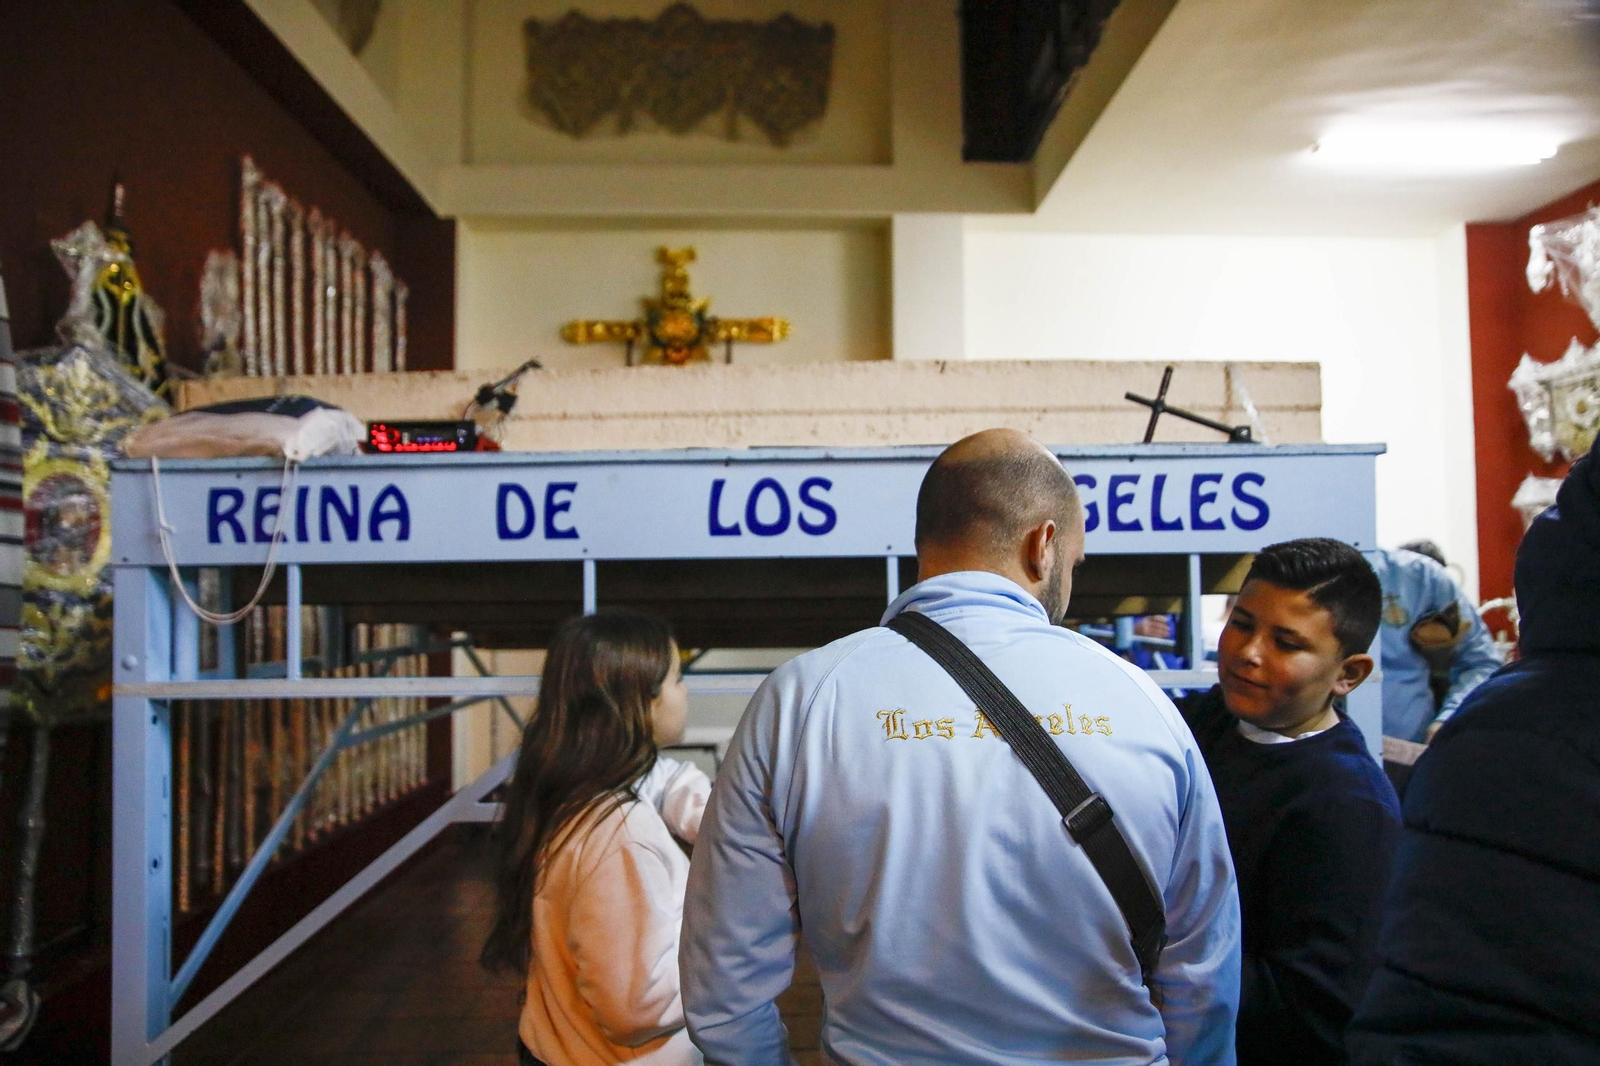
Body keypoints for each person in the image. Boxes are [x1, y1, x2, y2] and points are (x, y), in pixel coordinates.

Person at [681, 429, 1240, 1066]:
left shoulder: (800, 701)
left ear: (926, 542)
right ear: (1044, 544)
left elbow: (724, 988)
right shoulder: (1143, 702)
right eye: (1076, 565)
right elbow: (1201, 973)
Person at [1347, 434, 1600, 1064]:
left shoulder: (1417, 583)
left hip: (1418, 767)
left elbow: (1472, 659)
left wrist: (1444, 725)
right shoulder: (1517, 750)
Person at [1177, 539, 1400, 1065]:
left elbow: (1312, 1008)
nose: (1248, 652)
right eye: (1242, 622)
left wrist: (1148, 961)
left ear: (1348, 674)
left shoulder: (1347, 807)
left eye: (1286, 643)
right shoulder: (1213, 721)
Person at [480, 610, 711, 1066]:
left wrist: (732, 823)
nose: (684, 693)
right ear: (640, 700)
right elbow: (635, 1007)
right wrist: (740, 955)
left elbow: (665, 780)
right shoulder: (621, 833)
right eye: (676, 679)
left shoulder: (567, 787)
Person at [1364, 547, 1501, 742]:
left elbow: (1481, 663)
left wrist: (1448, 719)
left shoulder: (1420, 577)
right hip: (1315, 755)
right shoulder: (1308, 575)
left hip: (1409, 752)